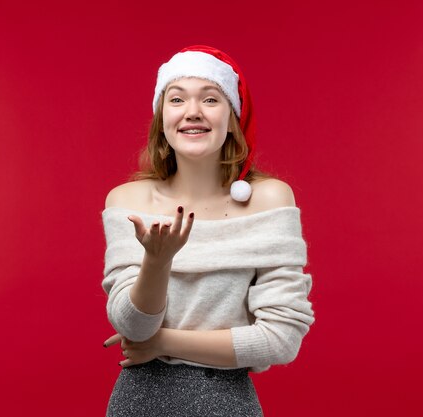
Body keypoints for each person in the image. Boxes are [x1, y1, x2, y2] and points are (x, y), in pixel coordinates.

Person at [101, 45, 315, 417]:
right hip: (139, 404)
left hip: (229, 404)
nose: (192, 112)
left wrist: (161, 343)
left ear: (232, 118)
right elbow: (132, 324)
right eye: (177, 98)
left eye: (211, 98)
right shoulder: (126, 200)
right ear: (161, 117)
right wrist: (157, 260)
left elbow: (281, 341)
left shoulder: (270, 200)